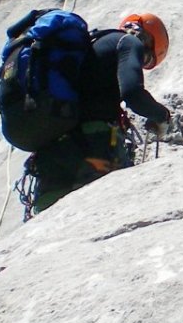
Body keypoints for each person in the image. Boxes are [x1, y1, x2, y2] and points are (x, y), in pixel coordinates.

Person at [29, 12, 171, 213]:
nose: (143, 62)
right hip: (95, 147)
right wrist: (161, 116)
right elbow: (132, 93)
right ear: (148, 40)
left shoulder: (88, 48)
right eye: (147, 60)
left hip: (52, 152)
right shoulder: (128, 42)